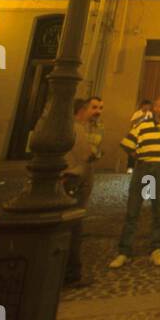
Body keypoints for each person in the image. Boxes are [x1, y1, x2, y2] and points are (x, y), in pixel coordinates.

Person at [110, 97, 160, 268]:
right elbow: (127, 144)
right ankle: (124, 250)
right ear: (154, 108)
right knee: (133, 209)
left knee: (158, 209)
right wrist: (139, 158)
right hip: (144, 169)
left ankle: (156, 248)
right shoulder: (143, 126)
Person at [64, 95, 103, 287]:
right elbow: (88, 154)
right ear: (82, 110)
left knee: (72, 225)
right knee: (73, 226)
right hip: (74, 179)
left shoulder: (86, 128)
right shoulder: (76, 129)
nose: (98, 112)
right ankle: (70, 273)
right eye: (94, 108)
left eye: (100, 108)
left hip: (76, 179)